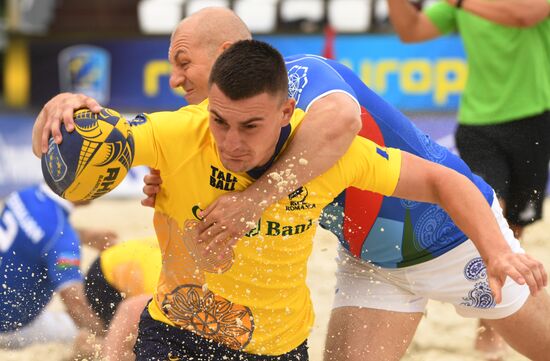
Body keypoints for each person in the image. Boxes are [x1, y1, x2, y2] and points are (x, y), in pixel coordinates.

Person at [35, 8, 548, 360]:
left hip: (453, 240)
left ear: (232, 51)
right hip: (370, 259)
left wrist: (249, 203)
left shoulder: (301, 75)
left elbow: (341, 118)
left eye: (184, 61)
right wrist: (74, 107)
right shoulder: (223, 126)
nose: (175, 77)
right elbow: (136, 137)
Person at [385, 0, 550, 357]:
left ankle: (490, 319)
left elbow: (525, 15)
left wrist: (460, 2)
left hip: (535, 118)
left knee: (513, 231)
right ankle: (488, 330)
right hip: (479, 122)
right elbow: (411, 31)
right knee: (491, 212)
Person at [0, 183, 116, 349]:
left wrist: (82, 235)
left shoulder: (24, 194)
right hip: (9, 329)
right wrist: (111, 338)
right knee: (81, 329)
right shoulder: (62, 239)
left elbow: (39, 234)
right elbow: (74, 303)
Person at [77, 237, 161, 361]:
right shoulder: (166, 290)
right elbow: (128, 308)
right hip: (104, 276)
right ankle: (88, 345)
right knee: (136, 343)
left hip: (126, 255)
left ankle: (92, 342)